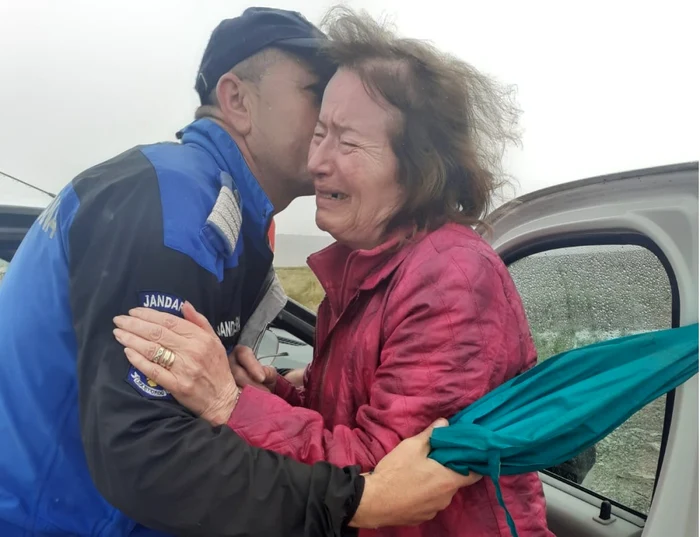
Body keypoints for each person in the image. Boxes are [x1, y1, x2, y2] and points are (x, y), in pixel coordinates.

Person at [0, 7, 480, 537]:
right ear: (237, 101)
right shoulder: (178, 203)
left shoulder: (222, 210)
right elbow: (145, 451)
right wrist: (354, 500)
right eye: (317, 93)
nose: (330, 118)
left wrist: (259, 397)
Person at [114, 7, 554, 537]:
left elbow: (383, 477)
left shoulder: (452, 277)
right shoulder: (365, 267)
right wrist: (274, 391)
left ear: (418, 166)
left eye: (346, 142)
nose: (318, 161)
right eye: (319, 133)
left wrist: (229, 404)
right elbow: (349, 419)